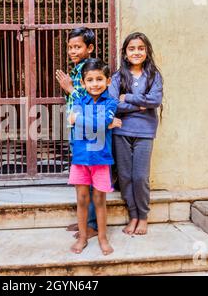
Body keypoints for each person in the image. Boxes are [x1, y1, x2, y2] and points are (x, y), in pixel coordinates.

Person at [108, 32, 163, 236]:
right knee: (125, 176)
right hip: (121, 130)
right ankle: (133, 215)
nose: (136, 52)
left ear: (147, 51)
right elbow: (113, 104)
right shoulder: (117, 77)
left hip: (145, 132)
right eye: (132, 49)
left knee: (140, 176)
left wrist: (129, 97)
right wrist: (139, 104)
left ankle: (143, 216)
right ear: (125, 53)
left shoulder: (154, 76)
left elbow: (155, 101)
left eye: (140, 48)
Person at [67, 58, 122, 255]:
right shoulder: (79, 101)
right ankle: (83, 237)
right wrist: (103, 123)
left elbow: (96, 122)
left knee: (99, 199)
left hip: (101, 159)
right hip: (81, 159)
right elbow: (79, 124)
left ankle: (102, 237)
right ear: (83, 83)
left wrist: (82, 120)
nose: (95, 83)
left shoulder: (111, 102)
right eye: (90, 80)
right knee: (82, 199)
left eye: (99, 79)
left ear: (108, 81)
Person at [55, 27, 98, 240]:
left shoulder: (90, 69)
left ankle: (92, 225)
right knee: (81, 177)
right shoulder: (76, 69)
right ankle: (84, 221)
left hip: (89, 130)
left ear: (89, 48)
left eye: (77, 47)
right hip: (78, 128)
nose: (73, 51)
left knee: (88, 178)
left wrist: (69, 88)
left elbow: (93, 96)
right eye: (70, 47)